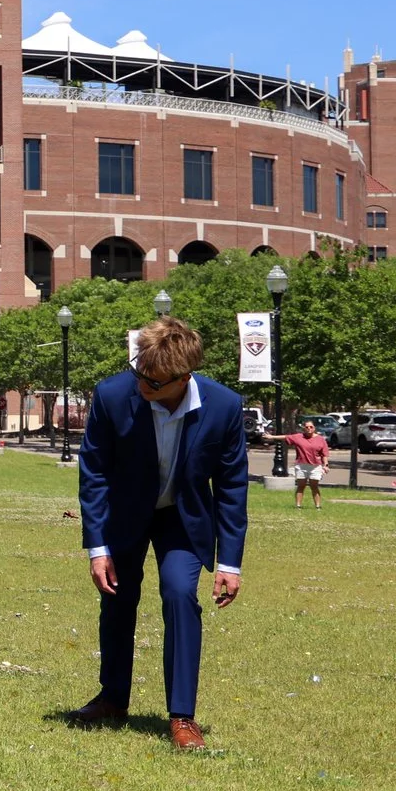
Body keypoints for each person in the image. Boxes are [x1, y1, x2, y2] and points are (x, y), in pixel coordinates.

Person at [71, 315, 248, 750]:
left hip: (182, 520)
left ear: (183, 378)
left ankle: (182, 717)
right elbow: (94, 472)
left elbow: (231, 487)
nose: (141, 386)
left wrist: (230, 562)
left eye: (152, 382)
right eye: (139, 374)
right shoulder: (112, 395)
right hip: (125, 514)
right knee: (117, 598)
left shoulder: (224, 406)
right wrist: (97, 548)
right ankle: (113, 698)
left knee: (180, 594)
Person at [269, 419, 331, 507]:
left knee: (314, 486)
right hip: (301, 465)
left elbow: (324, 454)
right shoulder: (298, 437)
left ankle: (318, 506)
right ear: (303, 428)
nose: (309, 429)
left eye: (311, 427)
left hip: (315, 466)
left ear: (314, 428)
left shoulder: (320, 439)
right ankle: (298, 506)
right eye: (307, 427)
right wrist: (271, 437)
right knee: (301, 486)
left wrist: (326, 465)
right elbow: (286, 437)